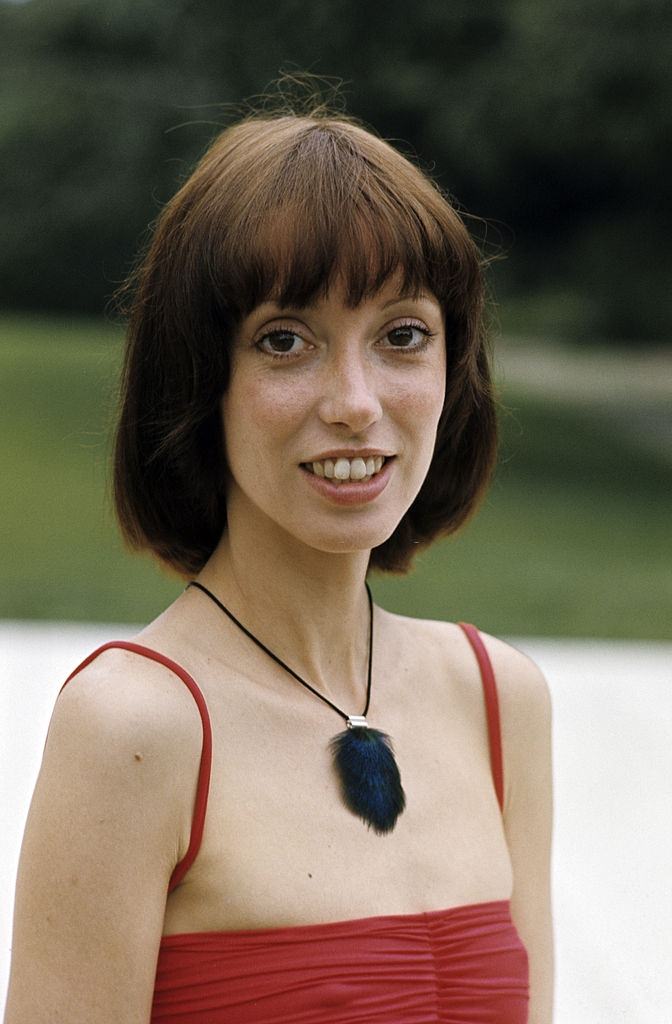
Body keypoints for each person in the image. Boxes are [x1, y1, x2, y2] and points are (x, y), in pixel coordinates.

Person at [4, 101, 553, 1024]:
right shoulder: (133, 728)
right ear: (198, 380)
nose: (354, 402)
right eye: (285, 340)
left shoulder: (501, 700)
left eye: (403, 335)